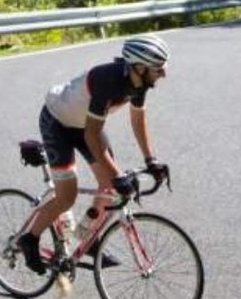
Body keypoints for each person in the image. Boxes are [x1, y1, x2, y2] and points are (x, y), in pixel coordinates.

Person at [16, 34, 171, 272]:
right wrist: (118, 174)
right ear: (139, 67)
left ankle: (87, 235)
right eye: (158, 68)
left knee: (109, 185)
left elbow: (138, 119)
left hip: (85, 125)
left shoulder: (139, 82)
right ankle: (29, 239)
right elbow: (92, 135)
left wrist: (151, 160)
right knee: (67, 196)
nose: (163, 73)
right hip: (58, 122)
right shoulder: (107, 81)